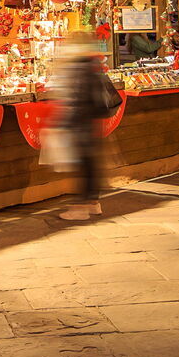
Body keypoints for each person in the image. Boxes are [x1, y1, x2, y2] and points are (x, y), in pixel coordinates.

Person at [47, 34, 121, 221]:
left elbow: (76, 99)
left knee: (83, 165)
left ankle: (80, 208)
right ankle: (93, 203)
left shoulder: (78, 67)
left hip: (78, 123)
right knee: (90, 165)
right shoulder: (92, 64)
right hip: (90, 122)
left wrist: (64, 123)